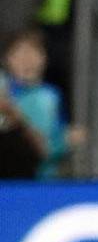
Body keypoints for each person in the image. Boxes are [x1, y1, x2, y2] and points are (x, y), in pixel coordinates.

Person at [1, 30, 71, 179]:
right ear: (7, 59)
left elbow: (49, 146)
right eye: (19, 54)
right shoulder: (2, 87)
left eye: (33, 53)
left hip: (39, 182)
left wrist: (64, 142)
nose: (27, 60)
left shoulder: (50, 97)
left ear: (44, 58)